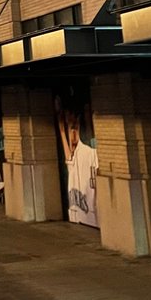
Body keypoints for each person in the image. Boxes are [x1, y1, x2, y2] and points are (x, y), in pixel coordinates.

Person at [55, 96, 98, 227]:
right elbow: (69, 155)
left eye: (74, 128)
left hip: (88, 213)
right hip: (79, 213)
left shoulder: (88, 151)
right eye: (70, 128)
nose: (72, 133)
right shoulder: (75, 154)